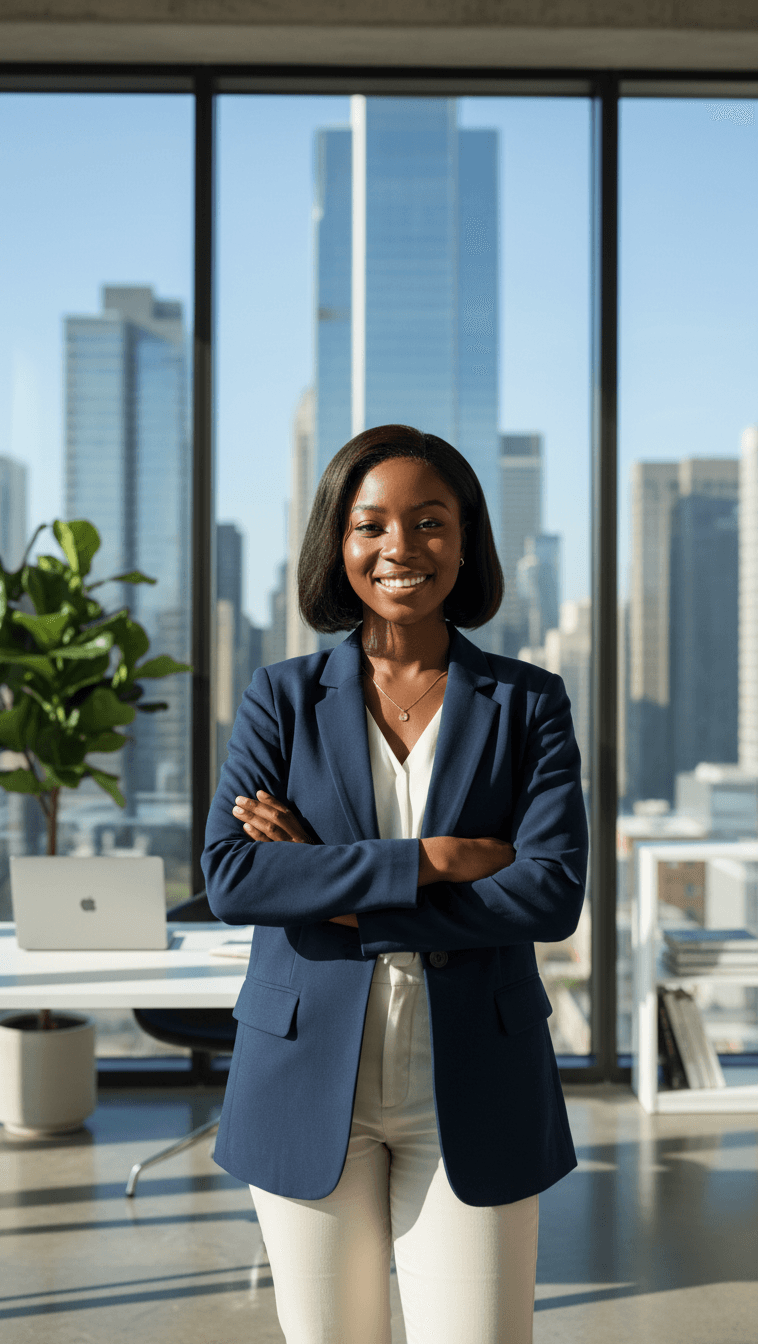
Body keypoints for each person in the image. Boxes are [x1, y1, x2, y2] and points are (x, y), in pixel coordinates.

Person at [202, 424, 589, 1344]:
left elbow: (550, 895)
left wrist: (322, 879)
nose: (400, 549)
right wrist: (432, 859)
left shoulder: (529, 701)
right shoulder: (281, 697)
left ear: (467, 541)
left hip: (475, 1079)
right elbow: (234, 876)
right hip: (302, 1072)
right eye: (371, 524)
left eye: (430, 522)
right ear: (338, 543)